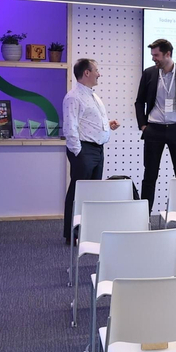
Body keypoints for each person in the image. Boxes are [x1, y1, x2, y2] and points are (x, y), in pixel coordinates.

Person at [134, 38, 176, 210]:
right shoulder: (149, 73)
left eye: (156, 55)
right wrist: (143, 126)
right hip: (153, 129)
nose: (153, 58)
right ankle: (144, 216)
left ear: (168, 54)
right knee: (149, 175)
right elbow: (139, 102)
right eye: (152, 55)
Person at [62, 57, 119, 244]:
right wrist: (79, 152)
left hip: (96, 150)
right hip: (84, 151)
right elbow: (70, 128)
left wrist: (107, 126)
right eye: (96, 70)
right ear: (86, 72)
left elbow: (87, 122)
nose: (99, 74)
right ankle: (72, 234)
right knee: (78, 193)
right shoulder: (73, 97)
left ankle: (87, 232)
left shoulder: (93, 95)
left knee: (92, 194)